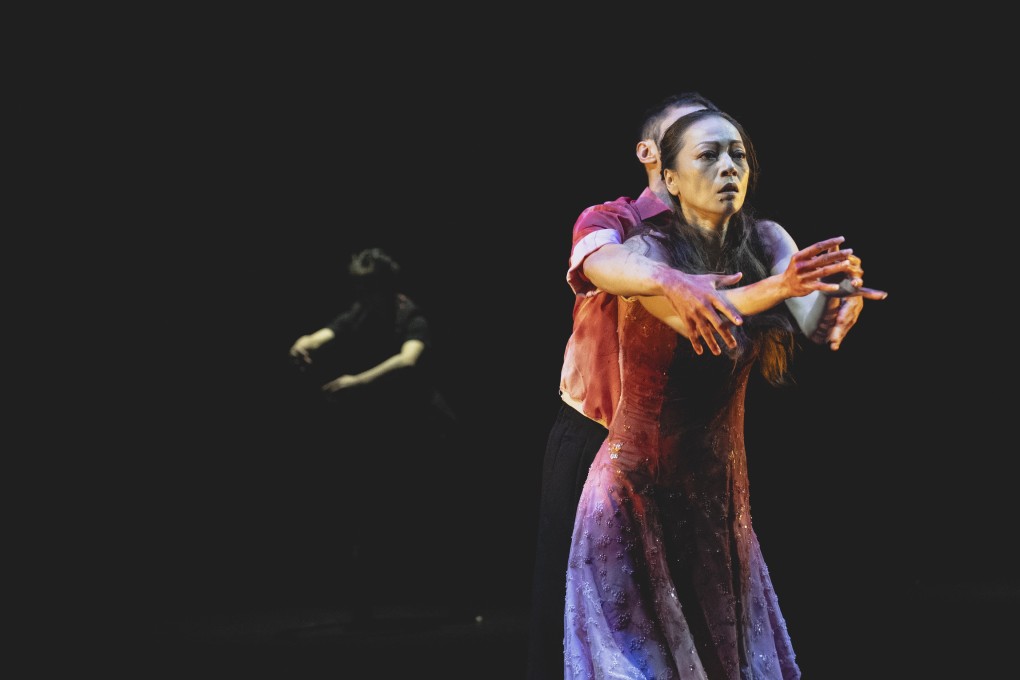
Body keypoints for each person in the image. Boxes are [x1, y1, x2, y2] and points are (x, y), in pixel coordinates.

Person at [527, 92, 870, 679]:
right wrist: (678, 281)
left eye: (737, 153)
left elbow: (811, 318)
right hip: (601, 438)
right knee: (580, 626)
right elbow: (610, 270)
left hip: (708, 478)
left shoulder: (760, 239)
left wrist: (836, 299)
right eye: (705, 151)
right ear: (658, 162)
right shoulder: (625, 228)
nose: (727, 165)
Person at [288, 247, 465, 626]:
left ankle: (458, 599)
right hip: (390, 426)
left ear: (384, 286)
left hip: (425, 424)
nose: (360, 294)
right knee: (365, 509)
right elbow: (330, 331)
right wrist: (306, 341)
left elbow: (408, 359)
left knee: (434, 511)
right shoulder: (363, 310)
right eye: (357, 287)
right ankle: (362, 606)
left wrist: (357, 382)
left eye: (366, 287)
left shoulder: (409, 314)